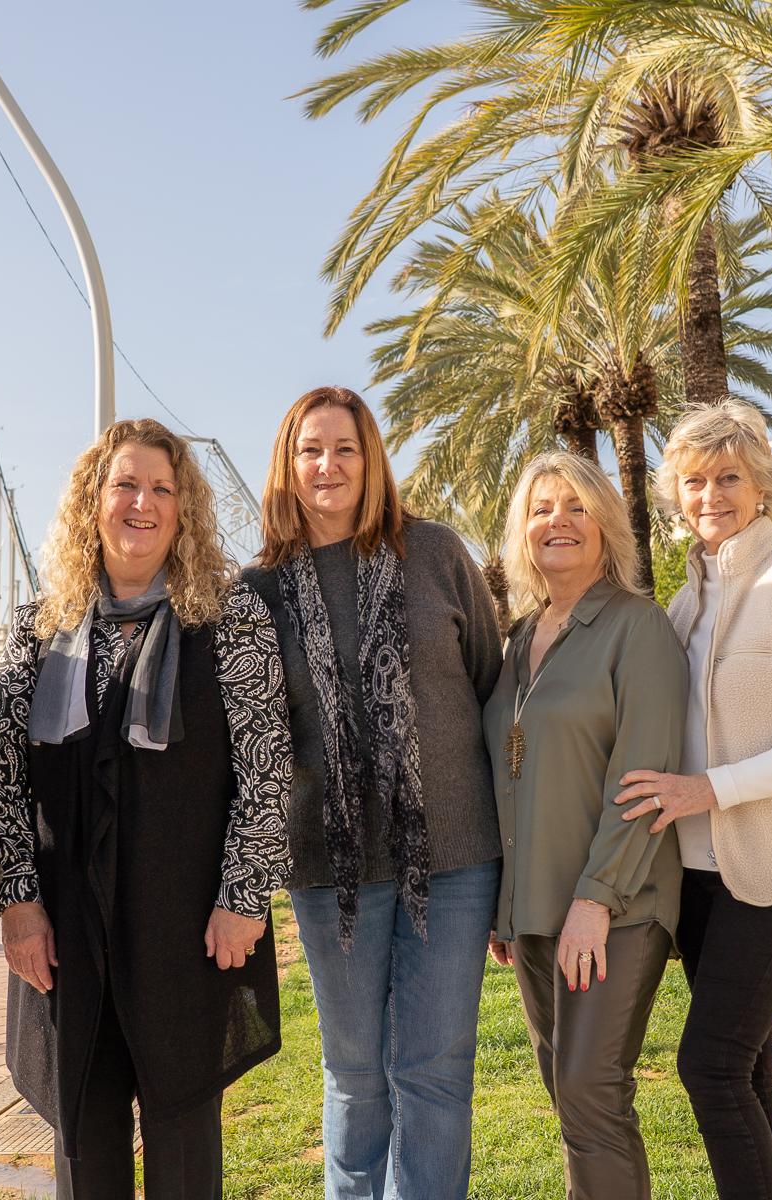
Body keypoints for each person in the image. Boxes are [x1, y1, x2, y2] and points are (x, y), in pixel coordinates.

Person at [0, 418, 292, 1200]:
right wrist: (18, 904)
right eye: (125, 485)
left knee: (184, 1131)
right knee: (84, 1127)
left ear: (183, 511)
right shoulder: (39, 626)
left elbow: (267, 767)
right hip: (64, 928)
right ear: (93, 500)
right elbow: (1, 775)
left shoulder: (229, 618)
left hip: (187, 921)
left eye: (162, 488)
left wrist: (242, 898)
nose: (142, 503)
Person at [240, 386, 502, 1200]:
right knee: (355, 1077)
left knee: (433, 1073)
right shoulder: (259, 590)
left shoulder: (437, 554)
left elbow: (492, 691)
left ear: (372, 459)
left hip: (455, 861)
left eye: (345, 448)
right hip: (330, 871)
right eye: (310, 449)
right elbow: (255, 745)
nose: (328, 465)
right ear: (288, 464)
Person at [615, 400, 772, 1200]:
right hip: (697, 872)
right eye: (694, 481)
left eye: (729, 476)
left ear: (760, 483)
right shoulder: (688, 598)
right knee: (748, 1063)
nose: (711, 495)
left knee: (711, 1064)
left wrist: (710, 789)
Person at [484, 451, 688, 1200]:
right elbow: (510, 777)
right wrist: (508, 906)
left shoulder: (640, 628)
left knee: (592, 1090)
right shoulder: (517, 641)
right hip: (536, 908)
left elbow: (643, 783)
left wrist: (595, 900)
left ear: (606, 526)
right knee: (567, 1095)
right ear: (521, 532)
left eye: (576, 506)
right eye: (541, 509)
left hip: (617, 905)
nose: (557, 521)